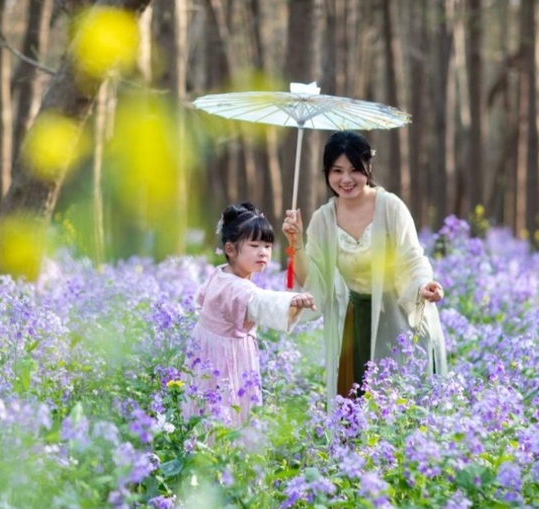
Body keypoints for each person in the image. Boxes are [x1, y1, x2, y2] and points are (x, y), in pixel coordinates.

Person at [281, 130, 447, 411]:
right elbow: (314, 278)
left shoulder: (390, 207)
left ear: (368, 168)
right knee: (357, 407)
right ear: (327, 173)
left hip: (400, 313)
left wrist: (423, 285)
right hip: (358, 321)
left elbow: (412, 257)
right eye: (337, 171)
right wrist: (296, 243)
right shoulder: (323, 219)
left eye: (354, 170)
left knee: (402, 404)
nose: (346, 179)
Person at [184, 201, 316, 427]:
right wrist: (291, 300)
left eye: (267, 245)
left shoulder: (220, 274)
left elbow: (201, 298)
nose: (263, 252)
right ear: (230, 249)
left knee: (206, 414)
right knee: (228, 414)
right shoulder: (237, 287)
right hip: (225, 361)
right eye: (254, 245)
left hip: (207, 353)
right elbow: (258, 302)